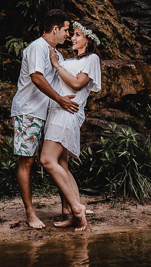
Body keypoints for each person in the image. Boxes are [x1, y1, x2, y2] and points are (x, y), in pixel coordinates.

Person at [10, 10, 80, 229]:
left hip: (49, 112)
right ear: (55, 28)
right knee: (27, 160)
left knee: (60, 160)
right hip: (29, 111)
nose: (68, 35)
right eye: (67, 30)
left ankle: (68, 210)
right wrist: (60, 99)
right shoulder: (37, 47)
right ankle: (30, 213)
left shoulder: (55, 54)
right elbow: (37, 78)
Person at [40, 20, 103, 232]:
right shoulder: (72, 60)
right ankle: (73, 214)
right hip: (56, 112)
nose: (72, 38)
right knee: (62, 165)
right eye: (72, 34)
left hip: (67, 114)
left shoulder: (92, 59)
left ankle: (77, 208)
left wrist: (57, 65)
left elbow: (77, 84)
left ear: (88, 40)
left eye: (77, 35)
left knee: (47, 160)